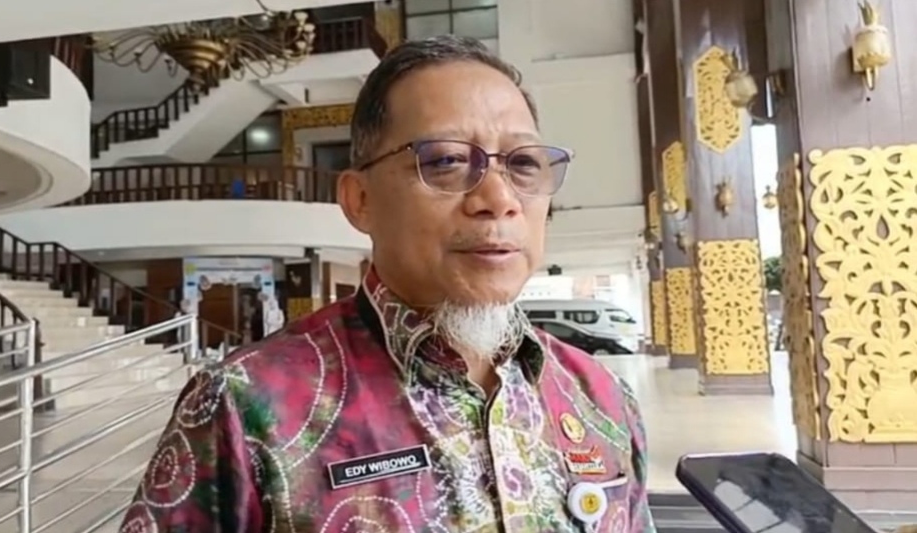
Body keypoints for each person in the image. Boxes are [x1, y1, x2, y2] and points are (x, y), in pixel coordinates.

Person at [120, 35, 655, 533]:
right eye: (446, 161)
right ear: (360, 200)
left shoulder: (601, 398)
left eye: (524, 164)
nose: (499, 199)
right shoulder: (245, 405)